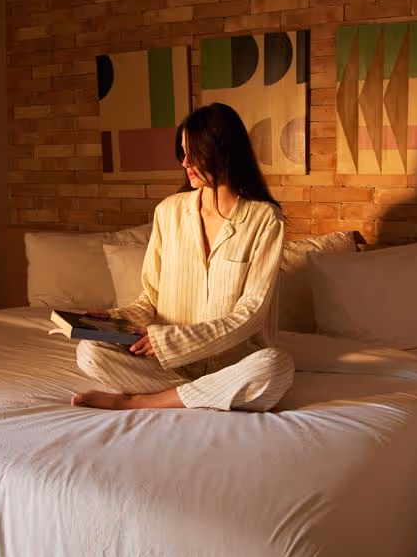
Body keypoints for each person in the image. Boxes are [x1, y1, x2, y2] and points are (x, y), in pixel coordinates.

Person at [71, 103, 294, 412]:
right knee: (90, 352)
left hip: (233, 363)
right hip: (171, 366)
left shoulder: (265, 219)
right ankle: (206, 395)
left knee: (275, 366)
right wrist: (113, 321)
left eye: (194, 153)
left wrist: (171, 340)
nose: (185, 162)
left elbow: (251, 315)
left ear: (223, 150)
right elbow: (150, 300)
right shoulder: (168, 212)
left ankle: (142, 401)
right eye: (182, 153)